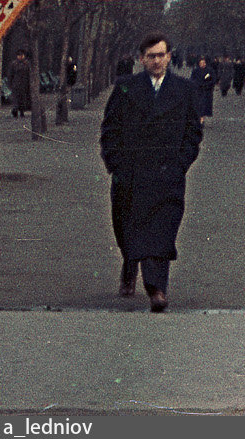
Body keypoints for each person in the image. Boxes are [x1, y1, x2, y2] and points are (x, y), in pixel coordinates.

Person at [99, 34, 204, 312]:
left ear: (170, 56)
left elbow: (193, 133)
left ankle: (156, 288)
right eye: (151, 56)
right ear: (142, 58)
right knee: (126, 228)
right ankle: (129, 264)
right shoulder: (125, 87)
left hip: (167, 173)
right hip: (131, 173)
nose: (157, 60)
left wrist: (181, 164)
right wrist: (116, 165)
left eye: (161, 55)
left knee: (161, 230)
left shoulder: (185, 89)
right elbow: (110, 129)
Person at [8, 48, 33, 119]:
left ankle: (22, 111)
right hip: (16, 84)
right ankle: (15, 111)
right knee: (16, 99)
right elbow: (10, 74)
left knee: (23, 99)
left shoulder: (27, 64)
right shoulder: (14, 64)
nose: (20, 57)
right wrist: (10, 83)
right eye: (19, 55)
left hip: (25, 84)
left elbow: (29, 74)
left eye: (22, 55)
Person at [190, 56, 216, 120]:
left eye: (204, 63)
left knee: (205, 106)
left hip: (207, 91)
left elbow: (213, 79)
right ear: (199, 64)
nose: (203, 64)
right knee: (199, 105)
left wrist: (208, 84)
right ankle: (200, 118)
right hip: (198, 90)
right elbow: (192, 79)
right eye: (201, 63)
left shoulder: (210, 70)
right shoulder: (195, 71)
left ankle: (202, 118)